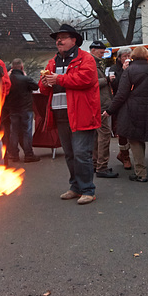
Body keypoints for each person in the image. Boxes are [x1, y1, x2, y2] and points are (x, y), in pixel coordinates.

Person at [39, 24, 100, 205]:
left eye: (63, 37)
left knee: (82, 153)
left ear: (74, 40)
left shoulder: (86, 59)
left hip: (81, 114)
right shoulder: (52, 62)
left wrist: (58, 79)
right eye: (57, 38)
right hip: (61, 114)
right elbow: (43, 89)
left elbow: (85, 79)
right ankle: (75, 187)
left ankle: (88, 190)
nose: (59, 40)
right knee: (70, 154)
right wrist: (44, 82)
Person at [104, 46, 148, 182]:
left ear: (133, 56)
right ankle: (140, 169)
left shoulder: (129, 71)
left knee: (135, 140)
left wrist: (109, 110)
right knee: (141, 138)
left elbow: (121, 94)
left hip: (133, 109)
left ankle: (141, 173)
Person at [88, 41, 118, 178]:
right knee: (104, 135)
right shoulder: (92, 64)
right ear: (93, 50)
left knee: (96, 136)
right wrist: (107, 80)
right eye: (101, 51)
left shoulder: (95, 63)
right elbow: (90, 83)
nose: (103, 54)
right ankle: (102, 167)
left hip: (97, 104)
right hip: (100, 104)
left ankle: (96, 164)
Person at [5, 58, 41, 163]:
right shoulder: (25, 79)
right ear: (22, 67)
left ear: (12, 68)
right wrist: (25, 76)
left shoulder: (9, 79)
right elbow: (36, 86)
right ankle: (28, 154)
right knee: (26, 132)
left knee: (14, 132)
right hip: (25, 108)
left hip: (13, 109)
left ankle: (13, 155)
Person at [108, 46, 133, 169]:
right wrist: (123, 72)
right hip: (120, 103)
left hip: (133, 102)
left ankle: (123, 153)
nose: (128, 58)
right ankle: (125, 156)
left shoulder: (133, 67)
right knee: (122, 129)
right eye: (125, 56)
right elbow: (115, 86)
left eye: (129, 56)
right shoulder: (114, 69)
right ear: (119, 58)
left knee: (132, 128)